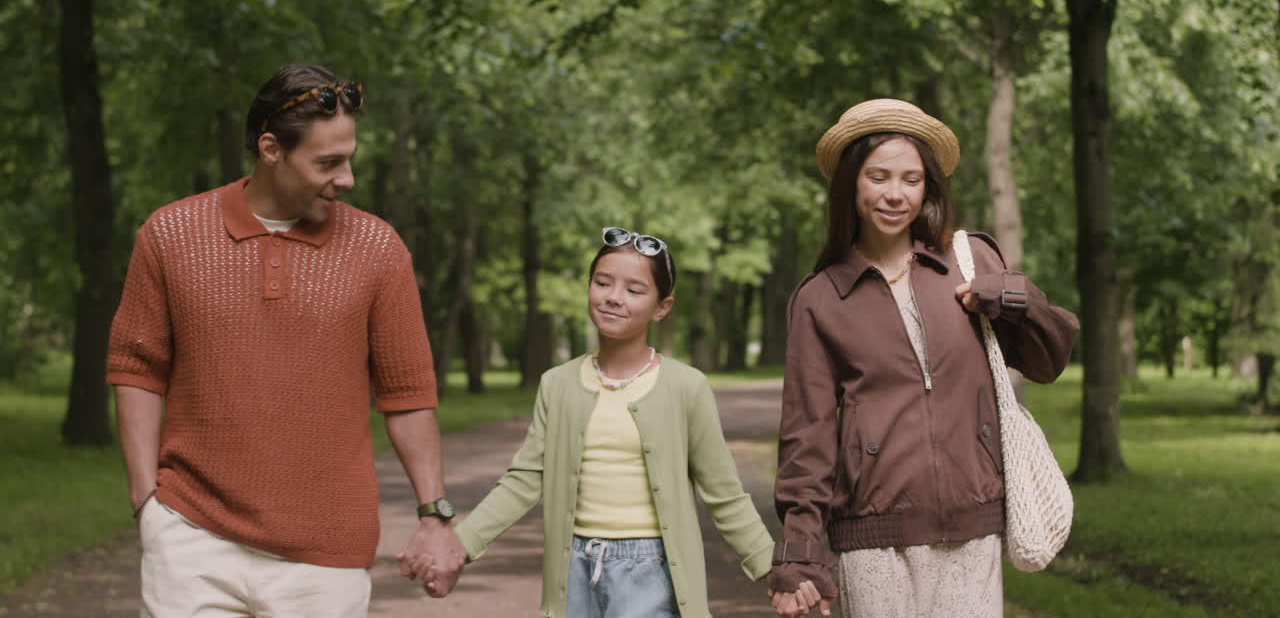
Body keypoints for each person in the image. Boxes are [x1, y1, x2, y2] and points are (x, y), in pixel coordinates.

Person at [108, 64, 465, 616]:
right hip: (191, 537)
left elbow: (408, 395)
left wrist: (435, 516)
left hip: (326, 554)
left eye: (349, 158)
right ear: (271, 149)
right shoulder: (171, 234)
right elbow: (137, 370)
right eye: (327, 163)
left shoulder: (378, 248)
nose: (346, 178)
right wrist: (145, 502)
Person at [768, 99, 1080, 618]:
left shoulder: (971, 261)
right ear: (852, 184)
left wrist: (1013, 297)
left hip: (973, 529)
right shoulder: (820, 297)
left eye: (911, 179)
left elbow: (1050, 360)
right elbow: (807, 437)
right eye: (879, 177)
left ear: (927, 187)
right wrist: (800, 557)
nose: (895, 194)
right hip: (871, 538)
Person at [422, 228, 779, 617]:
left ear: (662, 307)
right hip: (574, 569)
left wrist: (773, 567)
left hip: (652, 570)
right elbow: (523, 479)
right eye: (602, 282)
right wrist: (461, 544)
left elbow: (724, 493)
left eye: (634, 290)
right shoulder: (557, 384)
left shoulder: (686, 387)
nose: (613, 297)